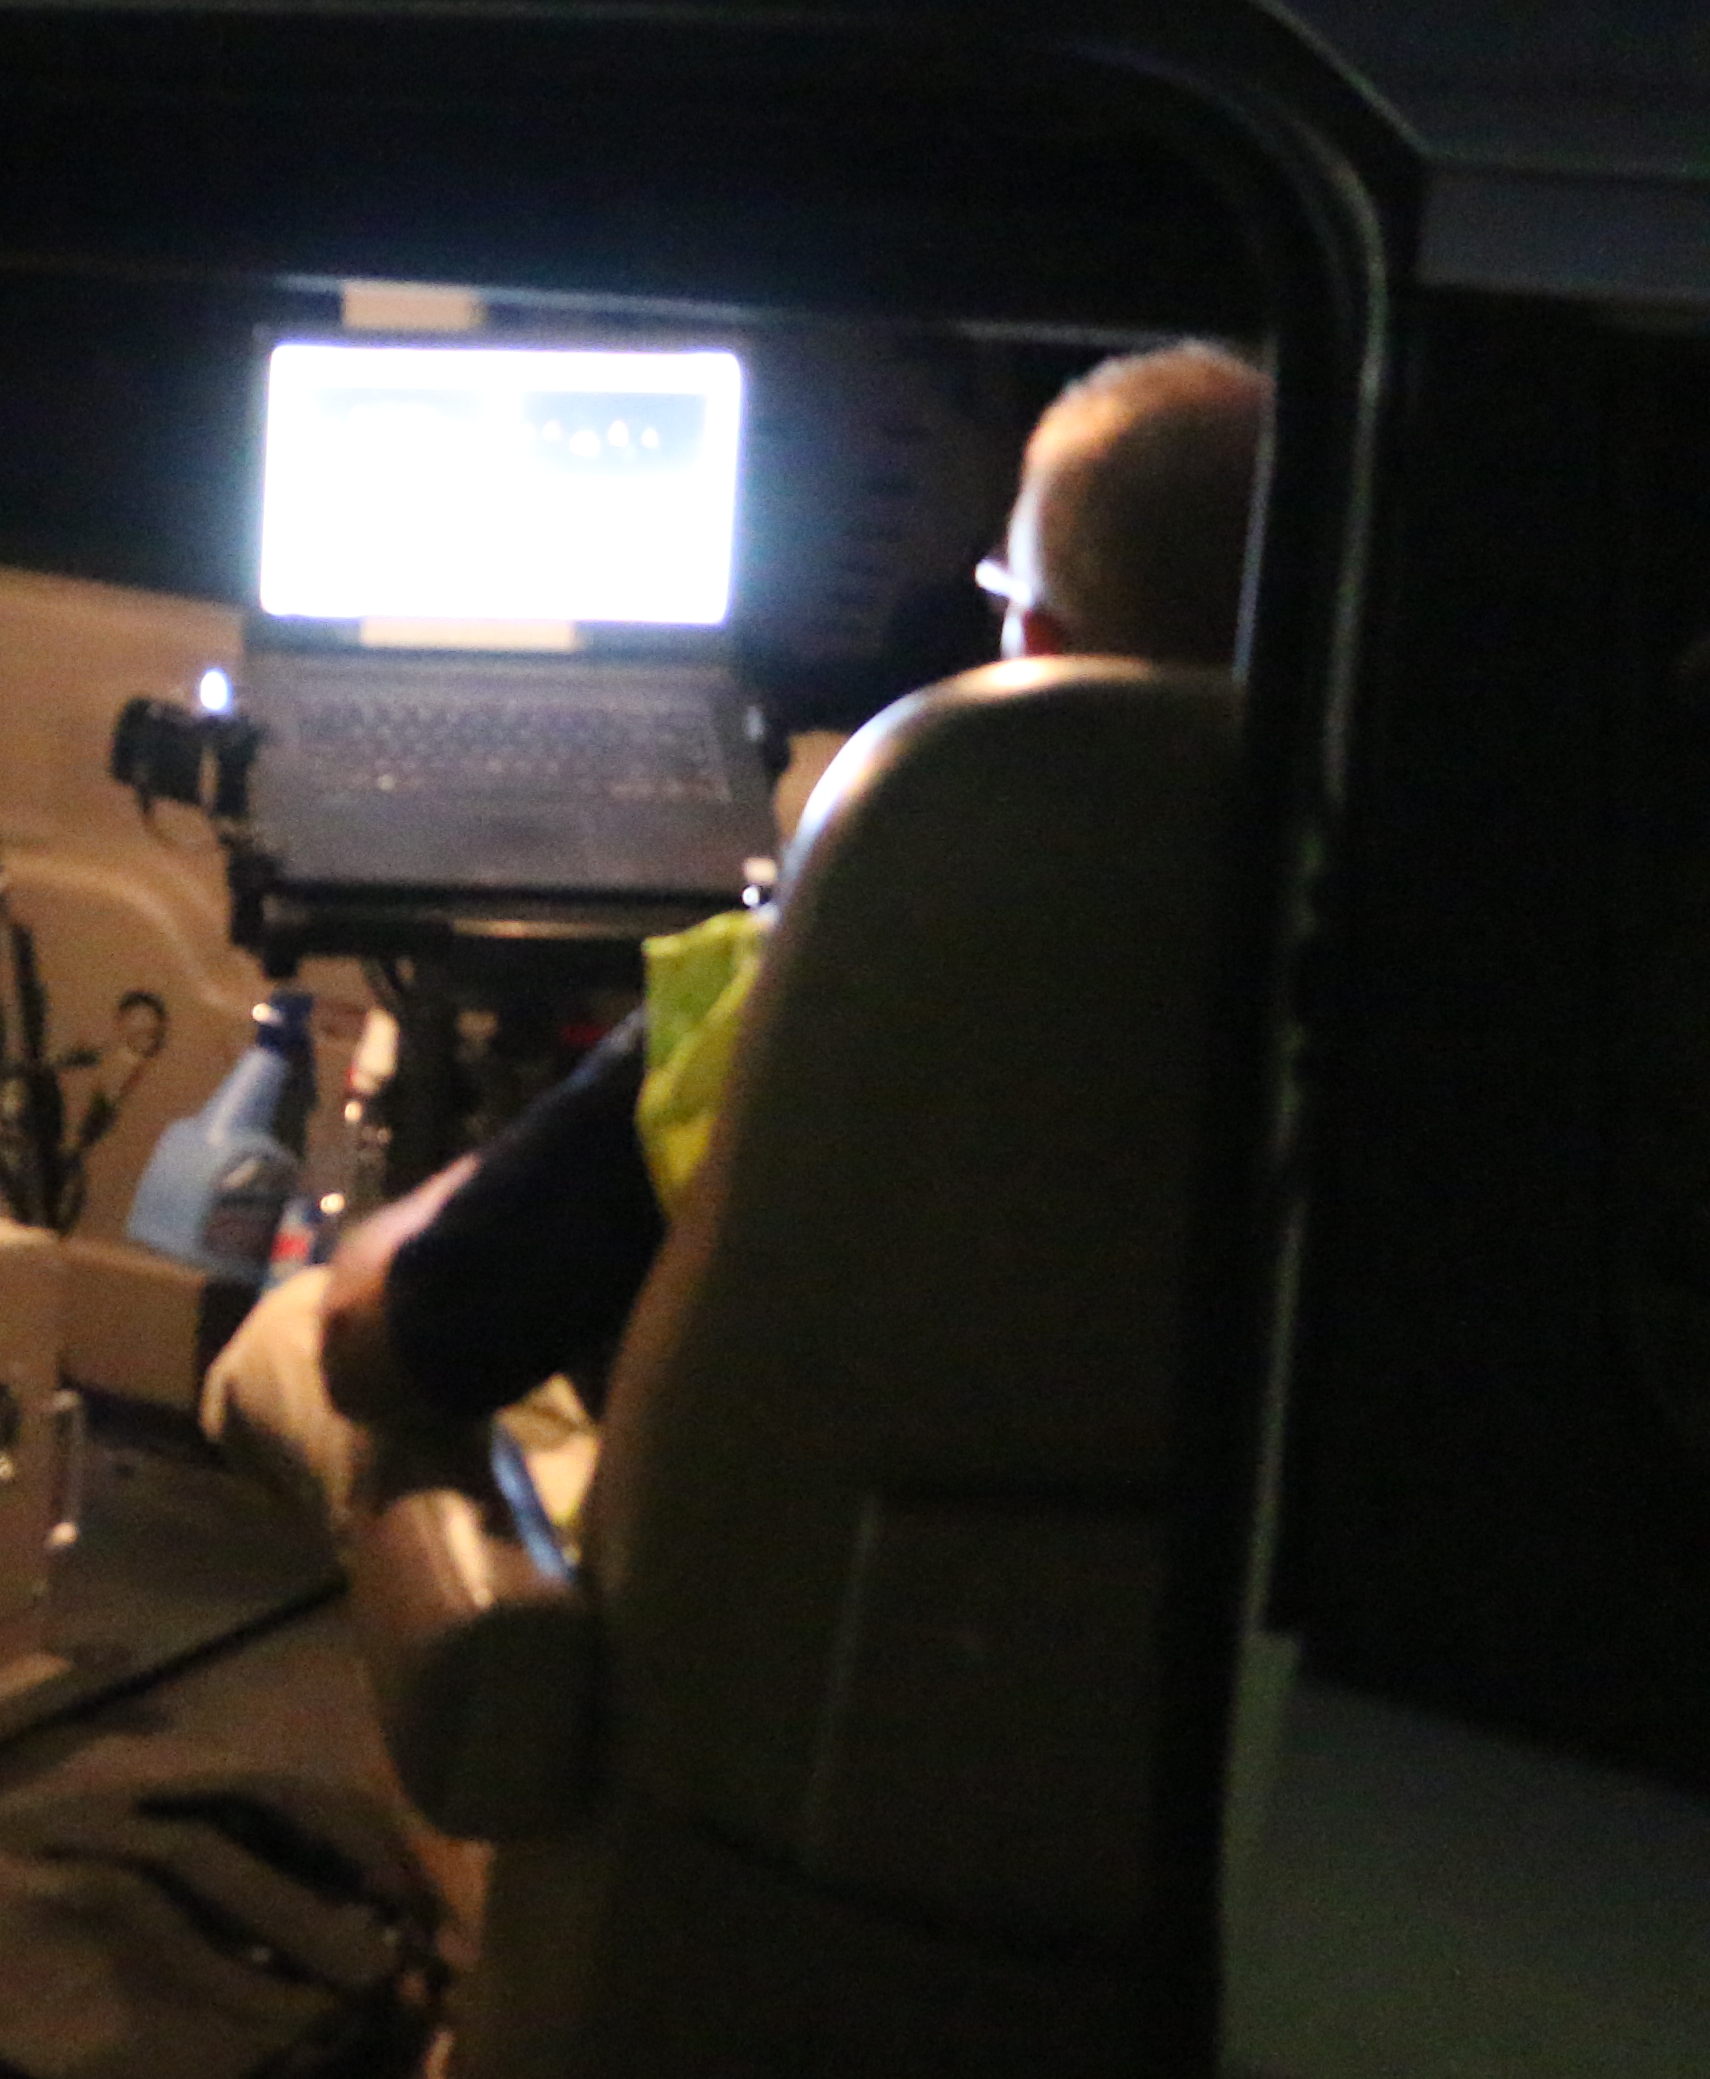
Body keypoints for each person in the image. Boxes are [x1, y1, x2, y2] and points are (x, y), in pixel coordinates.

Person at [207, 340, 1268, 1536]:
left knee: (292, 1335)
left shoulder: (822, 978)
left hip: (749, 1635)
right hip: (1115, 1649)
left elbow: (390, 1352)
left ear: (1035, 640)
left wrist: (436, 1209)